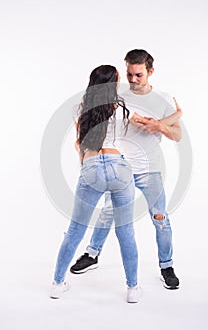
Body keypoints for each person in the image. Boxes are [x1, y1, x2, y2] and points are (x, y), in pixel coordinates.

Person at [70, 49, 182, 290]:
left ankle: (167, 266)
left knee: (161, 219)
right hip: (120, 169)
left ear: (150, 72)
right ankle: (92, 254)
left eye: (138, 75)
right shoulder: (117, 95)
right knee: (107, 214)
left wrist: (159, 126)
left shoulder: (163, 98)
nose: (132, 80)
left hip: (150, 170)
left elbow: (178, 135)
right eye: (129, 74)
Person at [50, 65, 141, 303]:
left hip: (91, 166)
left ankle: (57, 284)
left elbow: (79, 145)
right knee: (126, 232)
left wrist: (87, 168)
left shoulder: (78, 109)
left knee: (75, 231)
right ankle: (132, 289)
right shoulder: (122, 108)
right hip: (119, 166)